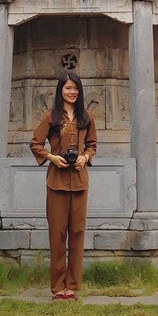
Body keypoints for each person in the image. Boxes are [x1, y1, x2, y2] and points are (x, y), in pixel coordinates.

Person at [30, 72, 97, 301]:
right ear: (60, 90)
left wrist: (85, 158)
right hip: (56, 183)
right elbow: (35, 143)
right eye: (68, 88)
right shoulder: (51, 117)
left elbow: (92, 145)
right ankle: (58, 287)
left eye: (75, 88)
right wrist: (52, 157)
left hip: (79, 182)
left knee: (77, 234)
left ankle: (72, 287)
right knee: (57, 235)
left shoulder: (86, 117)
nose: (72, 92)